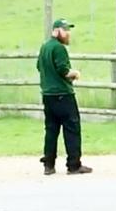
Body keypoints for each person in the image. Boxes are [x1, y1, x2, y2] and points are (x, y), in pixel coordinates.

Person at [37, 18, 92, 175]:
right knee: (72, 128)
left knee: (51, 130)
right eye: (65, 30)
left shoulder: (44, 47)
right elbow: (64, 70)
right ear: (56, 31)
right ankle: (73, 164)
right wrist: (75, 74)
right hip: (63, 94)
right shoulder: (59, 48)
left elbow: (38, 66)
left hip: (47, 95)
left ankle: (49, 164)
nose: (68, 33)